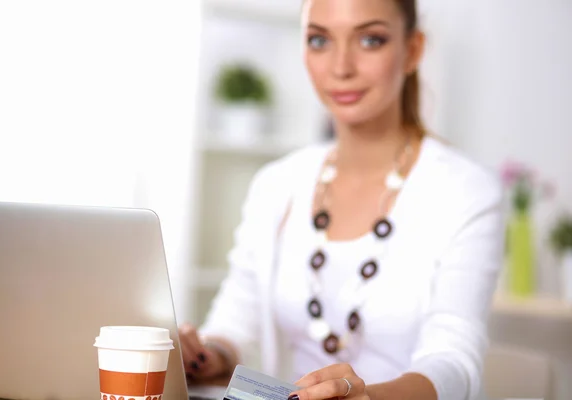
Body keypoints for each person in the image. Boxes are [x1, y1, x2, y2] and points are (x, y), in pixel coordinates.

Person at [179, 0, 504, 399]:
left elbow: (454, 362)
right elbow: (235, 322)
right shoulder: (277, 184)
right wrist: (207, 355)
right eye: (319, 40)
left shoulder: (466, 191)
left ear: (413, 50)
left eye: (370, 39)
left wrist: (364, 398)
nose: (340, 67)